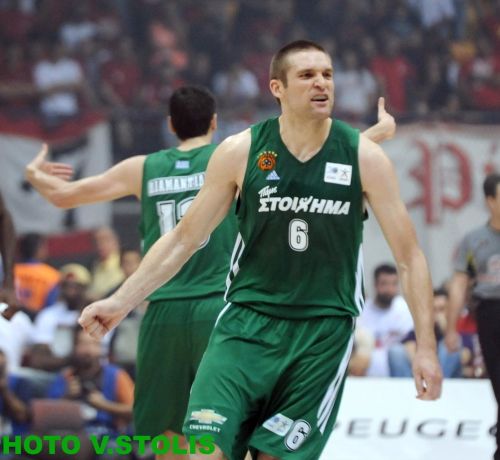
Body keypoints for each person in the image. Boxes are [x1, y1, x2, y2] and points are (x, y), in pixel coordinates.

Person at [77, 41, 441, 460]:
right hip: (245, 325)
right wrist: (120, 301)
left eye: (327, 74)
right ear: (277, 88)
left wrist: (426, 348)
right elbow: (183, 238)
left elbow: (409, 257)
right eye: (307, 75)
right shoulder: (242, 151)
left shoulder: (365, 158)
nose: (321, 83)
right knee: (201, 452)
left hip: (320, 334)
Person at [26, 82, 395, 459]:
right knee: (231, 429)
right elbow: (310, 168)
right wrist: (375, 135)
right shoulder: (234, 157)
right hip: (220, 312)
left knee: (167, 433)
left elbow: (63, 195)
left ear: (171, 124)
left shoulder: (143, 168)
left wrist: (35, 174)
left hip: (162, 312)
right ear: (215, 122)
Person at [445, 172, 500, 460]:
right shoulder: (474, 241)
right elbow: (459, 284)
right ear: (490, 201)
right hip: (490, 313)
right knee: (497, 380)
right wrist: (451, 328)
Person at [357, 263, 414, 376]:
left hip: (399, 373)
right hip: (367, 373)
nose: (390, 289)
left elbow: (412, 343)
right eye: (384, 284)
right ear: (375, 285)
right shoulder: (362, 311)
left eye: (394, 284)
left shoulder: (404, 309)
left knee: (396, 352)